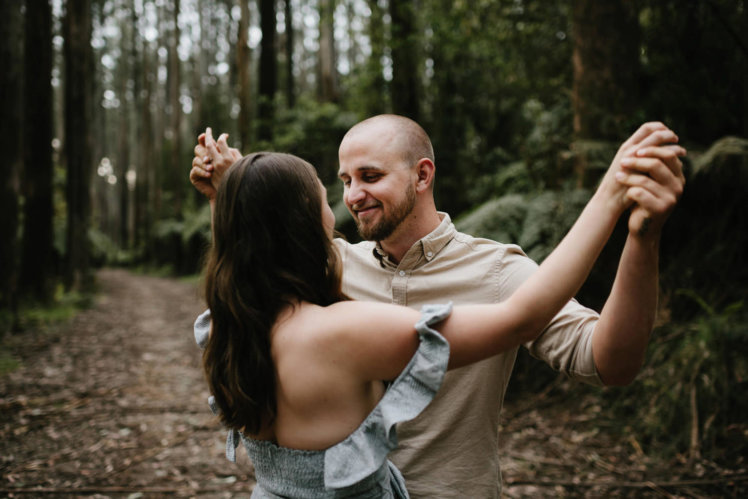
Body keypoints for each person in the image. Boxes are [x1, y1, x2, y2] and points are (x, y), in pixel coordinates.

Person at [190, 116, 686, 498]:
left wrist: (643, 238)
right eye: (341, 182)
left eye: (369, 176)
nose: (352, 197)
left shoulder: (498, 271)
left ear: (422, 175)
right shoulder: (327, 270)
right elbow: (257, 254)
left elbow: (612, 362)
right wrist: (239, 195)